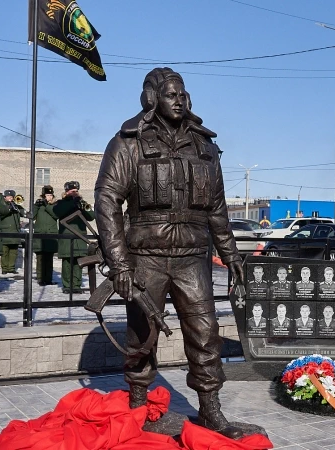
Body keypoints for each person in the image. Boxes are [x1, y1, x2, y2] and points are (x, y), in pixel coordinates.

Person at [94, 67, 249, 438]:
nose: (179, 100)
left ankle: (211, 409)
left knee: (205, 333)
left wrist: (231, 257)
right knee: (141, 336)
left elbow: (217, 210)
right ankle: (137, 404)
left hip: (193, 258)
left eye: (183, 94)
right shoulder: (127, 143)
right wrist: (119, 264)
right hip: (145, 258)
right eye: (170, 94)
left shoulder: (206, 147)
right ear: (152, 99)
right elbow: (107, 200)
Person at [54, 181, 95, 294]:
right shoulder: (61, 203)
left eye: (76, 191)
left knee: (79, 262)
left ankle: (76, 285)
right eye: (72, 191)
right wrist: (72, 203)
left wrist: (83, 206)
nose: (75, 193)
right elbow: (58, 212)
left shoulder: (81, 202)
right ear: (67, 192)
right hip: (67, 236)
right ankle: (67, 286)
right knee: (67, 262)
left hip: (80, 237)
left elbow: (91, 216)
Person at [32, 185, 59, 286]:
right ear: (43, 195)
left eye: (51, 195)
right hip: (40, 234)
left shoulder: (55, 205)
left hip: (51, 235)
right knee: (40, 258)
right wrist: (36, 206)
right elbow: (32, 216)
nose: (49, 197)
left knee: (49, 259)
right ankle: (40, 278)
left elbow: (56, 215)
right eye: (47, 195)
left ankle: (48, 279)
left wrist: (47, 205)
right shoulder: (39, 205)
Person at [0, 189, 25, 274]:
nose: (9, 198)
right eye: (8, 196)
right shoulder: (2, 205)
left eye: (11, 197)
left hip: (15, 232)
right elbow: (1, 214)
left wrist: (17, 206)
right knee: (4, 252)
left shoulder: (16, 206)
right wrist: (9, 207)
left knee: (13, 252)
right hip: (5, 231)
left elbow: (23, 213)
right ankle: (5, 268)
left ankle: (11, 268)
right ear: (5, 197)